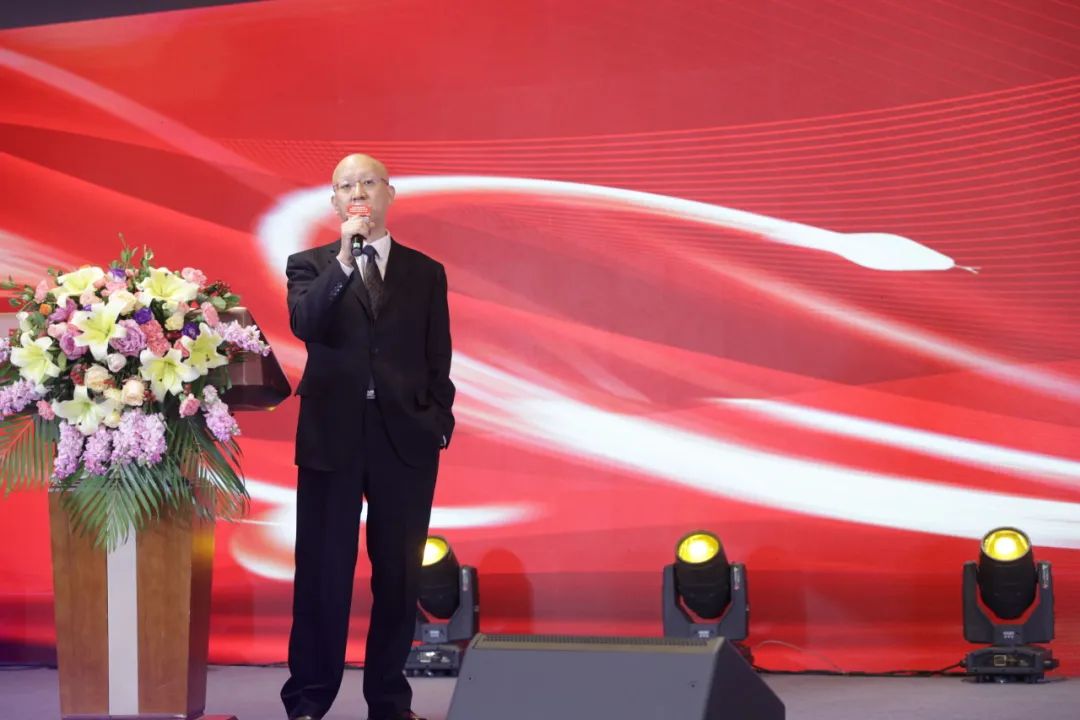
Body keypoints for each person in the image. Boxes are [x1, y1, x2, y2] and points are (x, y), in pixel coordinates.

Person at [280, 153, 455, 720]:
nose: (357, 192)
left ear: (389, 194)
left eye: (368, 182)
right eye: (345, 185)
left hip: (404, 437)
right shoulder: (309, 265)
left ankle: (389, 702)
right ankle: (309, 701)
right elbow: (306, 323)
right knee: (322, 573)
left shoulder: (425, 272)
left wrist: (439, 419)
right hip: (331, 436)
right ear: (334, 201)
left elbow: (437, 355)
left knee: (399, 577)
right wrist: (343, 260)